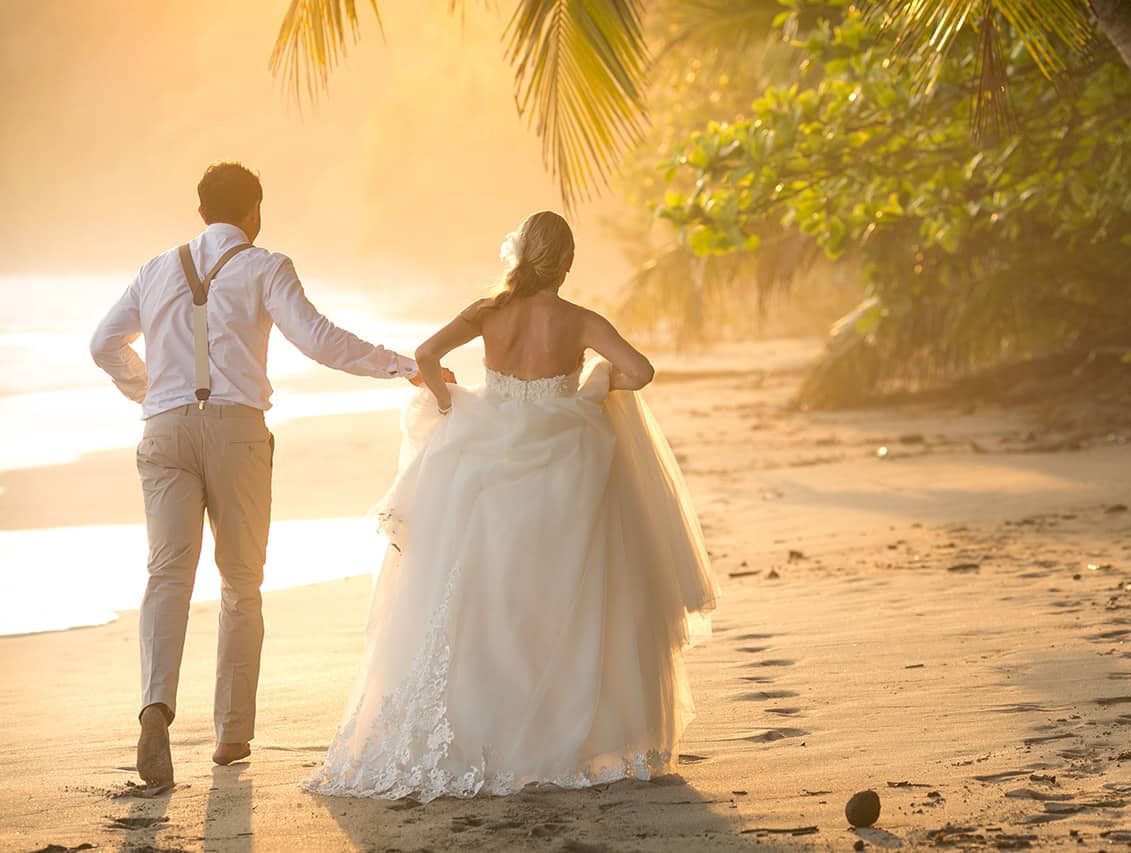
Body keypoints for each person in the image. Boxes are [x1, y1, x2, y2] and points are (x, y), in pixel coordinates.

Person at [302, 211, 717, 801]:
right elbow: (642, 371)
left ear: (520, 256)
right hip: (565, 464)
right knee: (557, 599)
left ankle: (479, 732)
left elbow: (423, 354)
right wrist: (600, 383)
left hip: (484, 454)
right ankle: (558, 732)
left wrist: (449, 403)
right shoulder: (580, 320)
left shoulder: (488, 310)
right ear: (567, 264)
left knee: (481, 597)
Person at [89, 161, 423, 788]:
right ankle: (230, 735)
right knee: (241, 580)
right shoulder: (267, 266)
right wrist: (404, 366)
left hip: (163, 431)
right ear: (255, 212)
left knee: (167, 574)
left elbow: (103, 343)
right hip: (237, 432)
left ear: (199, 212)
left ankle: (155, 708)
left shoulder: (154, 269)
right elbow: (320, 340)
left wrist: (147, 392)